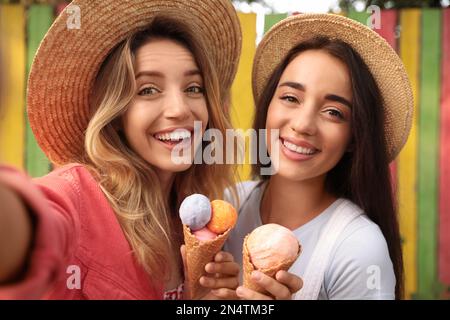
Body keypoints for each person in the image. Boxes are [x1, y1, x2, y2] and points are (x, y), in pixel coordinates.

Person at [0, 0, 242, 299]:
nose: (180, 109)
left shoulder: (191, 220)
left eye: (193, 88)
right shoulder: (72, 200)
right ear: (115, 117)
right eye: (148, 90)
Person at [225, 13, 413, 300]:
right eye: (290, 98)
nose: (303, 124)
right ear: (267, 106)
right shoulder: (227, 208)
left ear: (354, 137)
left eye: (334, 112)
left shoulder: (359, 248)